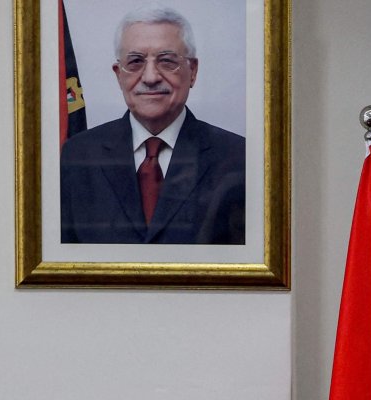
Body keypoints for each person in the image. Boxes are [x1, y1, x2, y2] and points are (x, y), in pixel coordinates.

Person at [60, 6, 246, 244]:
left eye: (167, 61)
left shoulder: (238, 157)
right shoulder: (78, 155)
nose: (150, 77)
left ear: (193, 72)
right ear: (119, 75)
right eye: (135, 61)